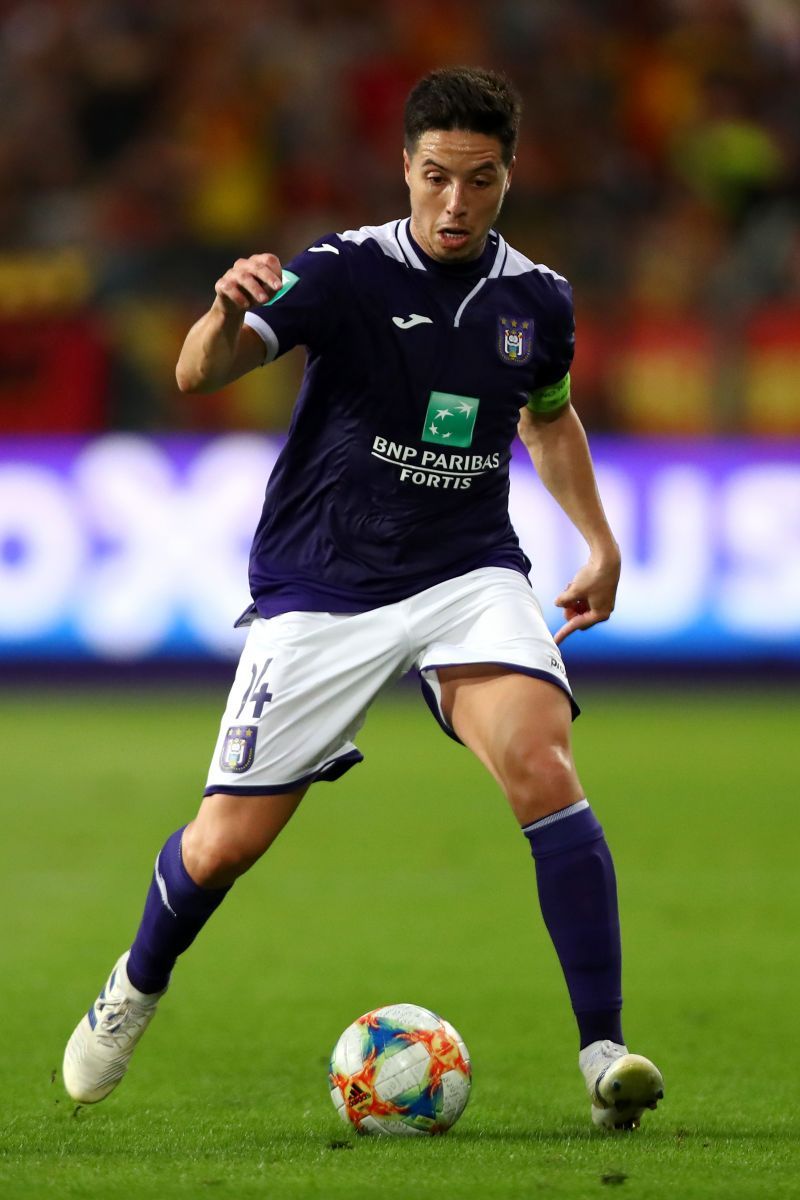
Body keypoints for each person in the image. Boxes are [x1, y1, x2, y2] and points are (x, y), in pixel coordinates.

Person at [63, 66, 663, 1132]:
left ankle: (603, 1052)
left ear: (506, 179)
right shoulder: (341, 273)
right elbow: (201, 376)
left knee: (542, 763)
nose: (454, 204)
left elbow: (547, 417)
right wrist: (218, 309)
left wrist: (597, 538)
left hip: (468, 571)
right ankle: (135, 985)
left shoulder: (538, 301)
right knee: (223, 845)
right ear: (405, 169)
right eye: (435, 177)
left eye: (478, 182)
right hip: (324, 585)